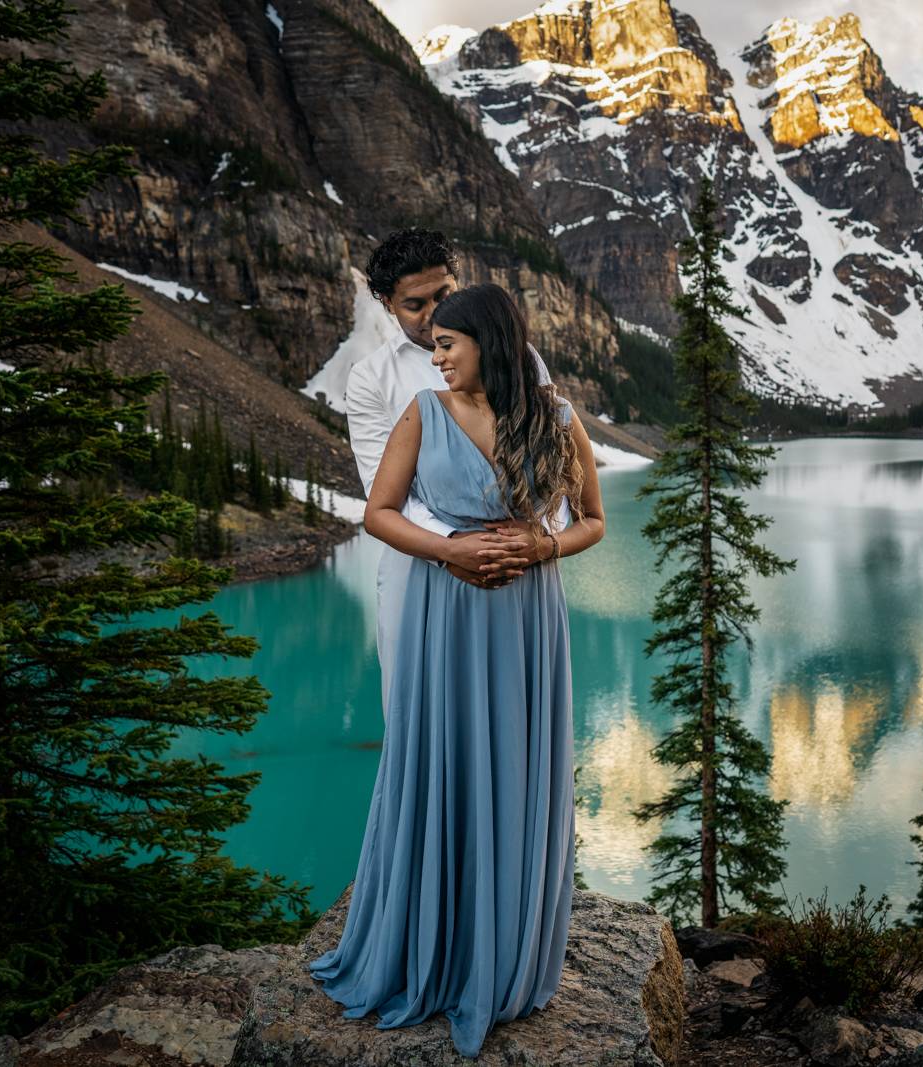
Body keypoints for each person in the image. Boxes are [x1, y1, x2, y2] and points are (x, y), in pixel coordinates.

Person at [308, 283, 606, 1058]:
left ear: (490, 342)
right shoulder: (423, 414)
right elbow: (377, 513)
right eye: (432, 344)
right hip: (452, 611)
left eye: (448, 344)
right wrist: (449, 548)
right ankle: (435, 951)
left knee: (517, 771)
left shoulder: (557, 417)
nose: (435, 357)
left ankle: (504, 958)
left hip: (528, 617)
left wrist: (544, 545)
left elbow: (593, 522)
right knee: (445, 766)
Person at [343, 228, 564, 715]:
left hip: (517, 568)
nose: (431, 315)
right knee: (424, 717)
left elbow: (551, 460)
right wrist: (455, 547)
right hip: (419, 569)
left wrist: (536, 536)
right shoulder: (370, 379)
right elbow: (385, 494)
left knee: (516, 713)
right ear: (386, 302)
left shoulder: (523, 359)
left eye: (443, 295)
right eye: (413, 304)